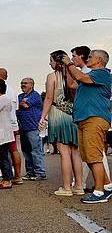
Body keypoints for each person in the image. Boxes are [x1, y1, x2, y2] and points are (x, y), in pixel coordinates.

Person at [62, 50, 112, 203]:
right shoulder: (88, 77)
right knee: (88, 157)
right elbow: (71, 83)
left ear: (99, 60)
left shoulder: (102, 73)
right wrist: (65, 68)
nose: (87, 59)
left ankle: (99, 192)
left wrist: (69, 64)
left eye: (90, 57)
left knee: (94, 156)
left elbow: (80, 76)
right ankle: (107, 186)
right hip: (84, 120)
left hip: (94, 119)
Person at [38, 50, 81, 196]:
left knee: (64, 152)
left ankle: (67, 187)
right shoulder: (73, 75)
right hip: (73, 115)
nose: (49, 63)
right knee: (75, 152)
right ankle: (79, 186)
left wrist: (43, 117)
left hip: (58, 115)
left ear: (57, 61)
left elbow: (49, 98)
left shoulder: (52, 77)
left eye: (51, 60)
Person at [0, 68, 23, 184]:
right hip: (13, 124)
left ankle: (5, 176)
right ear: (6, 77)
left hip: (1, 125)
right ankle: (17, 175)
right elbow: (16, 110)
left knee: (2, 152)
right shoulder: (12, 91)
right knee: (14, 150)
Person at [18, 78, 46, 180]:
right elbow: (18, 105)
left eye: (25, 83)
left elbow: (25, 105)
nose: (23, 85)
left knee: (36, 150)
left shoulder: (35, 95)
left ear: (31, 85)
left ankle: (40, 173)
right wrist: (21, 103)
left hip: (33, 127)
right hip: (23, 128)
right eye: (22, 83)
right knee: (26, 151)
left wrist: (22, 103)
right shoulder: (20, 96)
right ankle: (30, 172)